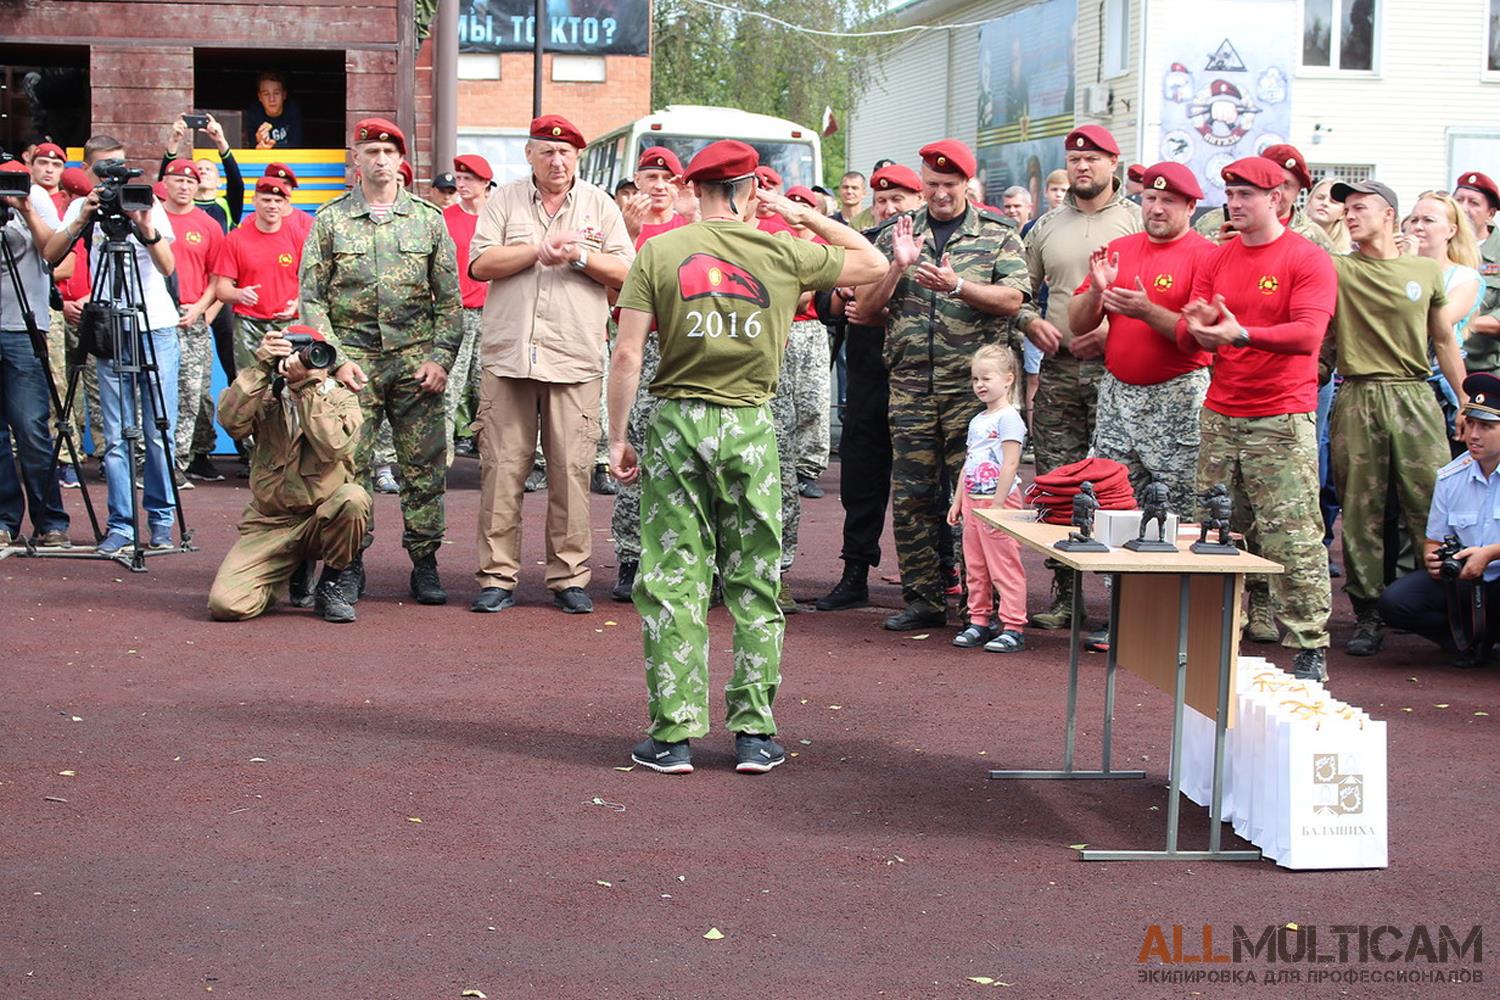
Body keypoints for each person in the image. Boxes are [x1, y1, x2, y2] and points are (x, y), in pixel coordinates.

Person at [608, 139, 886, 775]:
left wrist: (618, 436)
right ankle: (754, 734)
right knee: (755, 577)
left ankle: (673, 735)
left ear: (695, 189)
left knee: (674, 575)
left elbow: (626, 354)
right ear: (746, 190)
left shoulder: (661, 248)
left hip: (677, 421)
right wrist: (803, 216)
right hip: (750, 423)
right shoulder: (781, 250)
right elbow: (870, 264)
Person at [856, 138, 1036, 631]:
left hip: (974, 394)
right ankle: (924, 598)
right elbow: (866, 311)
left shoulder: (997, 233)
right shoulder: (895, 234)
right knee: (914, 497)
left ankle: (985, 607)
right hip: (911, 387)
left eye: (948, 185)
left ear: (967, 185)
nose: (938, 194)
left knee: (982, 499)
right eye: (931, 185)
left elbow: (1013, 298)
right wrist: (897, 265)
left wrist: (958, 286)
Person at [1178, 156, 1337, 681]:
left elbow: (1309, 336)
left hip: (1281, 416)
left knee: (1291, 535)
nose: (1235, 204)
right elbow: (1191, 330)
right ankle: (1222, 631)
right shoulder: (1218, 258)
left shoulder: (1306, 258)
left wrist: (1238, 333)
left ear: (1277, 199)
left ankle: (1309, 643)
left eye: (1247, 195)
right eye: (1230, 194)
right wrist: (1195, 327)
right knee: (1219, 531)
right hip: (1222, 413)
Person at [467, 114, 633, 616]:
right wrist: (535, 251)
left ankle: (569, 577)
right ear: (529, 155)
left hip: (574, 358)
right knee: (502, 471)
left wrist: (580, 256)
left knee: (571, 472)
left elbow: (627, 272)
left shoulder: (600, 205)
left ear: (577, 158)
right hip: (509, 357)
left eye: (565, 153)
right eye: (547, 151)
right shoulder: (504, 200)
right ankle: (497, 577)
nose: (556, 160)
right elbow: (479, 264)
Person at [299, 116, 463, 605]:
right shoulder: (329, 220)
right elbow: (312, 299)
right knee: (349, 467)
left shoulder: (428, 220)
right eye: (371, 152)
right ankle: (349, 565)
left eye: (389, 152)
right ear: (357, 159)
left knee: (424, 467)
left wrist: (441, 359)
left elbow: (450, 302)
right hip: (354, 366)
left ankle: (425, 563)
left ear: (401, 161)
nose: (380, 160)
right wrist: (335, 360)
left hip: (416, 364)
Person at [1321, 180, 1465, 657]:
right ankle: (1368, 614)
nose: (1351, 215)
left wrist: (1466, 402)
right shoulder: (1337, 268)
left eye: (1360, 208)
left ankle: (1442, 605)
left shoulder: (1424, 270)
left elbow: (1443, 340)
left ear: (1389, 215)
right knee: (1361, 510)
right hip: (1358, 393)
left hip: (1414, 394)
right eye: (1347, 209)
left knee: (1432, 503)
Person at [1016, 125, 1142, 631]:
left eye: (1093, 159)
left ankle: (1125, 600)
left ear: (1115, 163)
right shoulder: (1046, 226)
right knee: (1057, 479)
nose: (1082, 167)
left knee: (1119, 482)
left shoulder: (1137, 221)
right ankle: (1067, 594)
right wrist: (1031, 322)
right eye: (1074, 159)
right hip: (1061, 367)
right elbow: (1018, 291)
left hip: (1121, 371)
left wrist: (1111, 334)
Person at [44, 134, 180, 555]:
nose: (116, 177)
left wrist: (145, 228)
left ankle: (161, 521)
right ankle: (120, 524)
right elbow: (51, 255)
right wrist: (81, 219)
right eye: (106, 170)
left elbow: (167, 267)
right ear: (89, 172)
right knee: (117, 434)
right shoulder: (81, 206)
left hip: (154, 325)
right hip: (110, 326)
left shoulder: (147, 201)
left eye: (121, 166)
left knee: (160, 431)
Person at [1068, 161, 1214, 514]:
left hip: (1177, 398)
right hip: (1118, 397)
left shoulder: (1207, 256)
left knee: (1178, 510)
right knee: (1111, 504)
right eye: (1150, 198)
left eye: (1169, 201)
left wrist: (1146, 311)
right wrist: (1096, 292)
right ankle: (1114, 574)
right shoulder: (1121, 248)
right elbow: (1077, 324)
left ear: (1191, 207)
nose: (1157, 208)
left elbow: (1196, 337)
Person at [815, 164, 924, 611]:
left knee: (925, 487)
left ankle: (938, 578)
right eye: (881, 201)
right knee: (861, 483)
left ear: (917, 201)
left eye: (898, 200)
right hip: (868, 380)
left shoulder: (934, 246)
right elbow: (825, 302)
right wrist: (842, 296)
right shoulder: (860, 244)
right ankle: (855, 571)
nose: (888, 208)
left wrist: (877, 307)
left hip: (920, 385)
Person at [207, 326, 370, 623]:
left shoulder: (341, 399)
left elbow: (334, 445)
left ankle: (330, 585)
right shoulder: (266, 396)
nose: (308, 364)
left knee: (353, 499)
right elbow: (231, 422)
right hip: (271, 521)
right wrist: (260, 367)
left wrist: (305, 390)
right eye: (300, 356)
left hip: (321, 517)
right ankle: (285, 570)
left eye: (316, 356)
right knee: (226, 605)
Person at [609, 145, 693, 602]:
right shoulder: (620, 229)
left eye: (668, 179)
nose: (658, 187)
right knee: (632, 453)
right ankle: (629, 555)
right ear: (635, 184)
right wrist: (627, 232)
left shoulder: (692, 230)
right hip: (635, 344)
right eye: (649, 178)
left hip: (681, 346)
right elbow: (608, 294)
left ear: (679, 187)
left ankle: (679, 554)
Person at [1377, 374, 1500, 665]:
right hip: (1466, 584)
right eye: (1470, 423)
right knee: (1395, 602)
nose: (1473, 434)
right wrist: (1433, 559)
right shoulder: (1450, 477)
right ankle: (1466, 640)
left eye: (1486, 426)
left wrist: (1490, 554)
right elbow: (1433, 539)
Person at [0, 159, 70, 549]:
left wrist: (23, 208)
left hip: (22, 329)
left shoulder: (35, 195)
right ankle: (5, 520)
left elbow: (53, 254)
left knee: (30, 429)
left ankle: (51, 520)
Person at [947, 344, 1028, 652]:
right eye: (975, 379)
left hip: (999, 504)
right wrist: (958, 501)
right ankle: (979, 620)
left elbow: (1010, 462)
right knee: (976, 566)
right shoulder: (978, 420)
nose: (979, 384)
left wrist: (997, 505)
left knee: (1004, 566)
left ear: (1008, 379)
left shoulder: (1009, 418)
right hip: (973, 502)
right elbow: (969, 461)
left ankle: (1013, 625)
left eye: (986, 378)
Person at [160, 158, 226, 487]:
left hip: (192, 318)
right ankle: (151, 459)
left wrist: (200, 309)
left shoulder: (209, 224)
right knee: (156, 390)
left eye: (191, 182)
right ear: (166, 182)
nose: (184, 186)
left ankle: (178, 461)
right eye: (178, 180)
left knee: (190, 393)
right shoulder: (152, 217)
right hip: (156, 317)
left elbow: (217, 277)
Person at [1411, 190, 1483, 440]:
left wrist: (1408, 270)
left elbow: (1434, 326)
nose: (1418, 226)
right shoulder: (1393, 268)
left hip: (1436, 389)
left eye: (1428, 220)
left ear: (1451, 231)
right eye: (1414, 219)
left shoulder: (1464, 277)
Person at [213, 174, 303, 372]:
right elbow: (222, 288)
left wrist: (297, 302)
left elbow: (310, 283)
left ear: (286, 203)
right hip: (249, 325)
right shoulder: (236, 239)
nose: (272, 205)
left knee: (291, 384)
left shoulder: (298, 236)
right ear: (254, 201)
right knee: (249, 387)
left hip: (288, 324)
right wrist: (238, 294)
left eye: (278, 201)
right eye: (266, 200)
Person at [441, 153, 494, 465]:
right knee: (448, 388)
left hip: (494, 314)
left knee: (490, 390)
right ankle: (443, 457)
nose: (461, 184)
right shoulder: (445, 219)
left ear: (485, 183)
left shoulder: (498, 217)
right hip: (457, 313)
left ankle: (491, 458)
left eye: (468, 179)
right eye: (458, 178)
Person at [1194, 144, 1334, 252]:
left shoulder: (1314, 238)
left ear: (1298, 191)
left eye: (1286, 185)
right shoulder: (1212, 222)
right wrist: (1218, 252)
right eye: (1269, 183)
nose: (1276, 191)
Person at [161, 114, 244, 233]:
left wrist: (221, 141)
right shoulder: (181, 203)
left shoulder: (227, 205)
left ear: (219, 182)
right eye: (199, 170)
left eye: (208, 169)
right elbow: (164, 183)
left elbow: (236, 183)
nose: (203, 171)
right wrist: (174, 141)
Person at [1453, 172, 1500, 377]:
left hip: (1484, 371)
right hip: (1435, 372)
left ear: (1490, 213)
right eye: (1458, 200)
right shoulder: (1438, 247)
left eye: (1474, 203)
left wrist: (1451, 323)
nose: (1464, 208)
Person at [245, 71, 303, 149]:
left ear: (284, 95)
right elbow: (249, 147)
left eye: (276, 93)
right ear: (260, 97)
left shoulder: (292, 110)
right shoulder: (254, 113)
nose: (271, 99)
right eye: (266, 94)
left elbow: (296, 144)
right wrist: (257, 141)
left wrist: (273, 147)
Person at [1305, 178, 1353, 254]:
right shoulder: (1289, 234)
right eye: (1320, 198)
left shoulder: (1348, 253)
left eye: (1333, 202)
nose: (1325, 203)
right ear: (1309, 203)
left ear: (1343, 213)